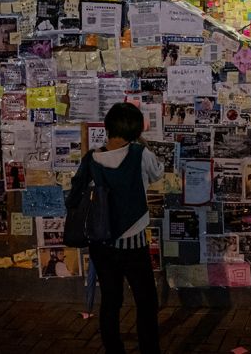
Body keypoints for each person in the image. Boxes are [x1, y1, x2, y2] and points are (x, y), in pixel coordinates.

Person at [69, 102, 164, 354]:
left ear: (108, 127)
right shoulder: (140, 154)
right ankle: (149, 349)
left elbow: (76, 190)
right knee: (146, 301)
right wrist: (142, 144)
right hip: (133, 243)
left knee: (111, 300)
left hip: (101, 242)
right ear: (134, 130)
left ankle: (114, 349)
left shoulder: (92, 157)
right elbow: (157, 174)